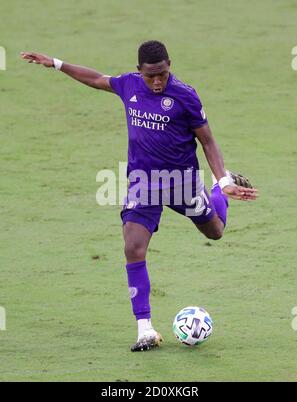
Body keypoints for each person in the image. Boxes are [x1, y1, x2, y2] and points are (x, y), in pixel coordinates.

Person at [21, 40, 258, 352]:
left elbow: (208, 142)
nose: (157, 81)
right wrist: (57, 63)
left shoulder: (186, 96)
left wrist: (222, 180)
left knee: (215, 231)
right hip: (143, 184)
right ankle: (144, 329)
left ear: (169, 65)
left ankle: (215, 194)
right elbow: (96, 79)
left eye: (162, 74)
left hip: (181, 181)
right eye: (150, 76)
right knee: (133, 247)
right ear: (139, 72)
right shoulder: (129, 86)